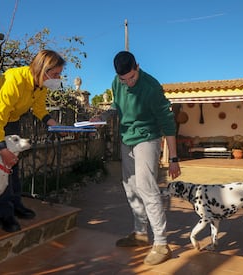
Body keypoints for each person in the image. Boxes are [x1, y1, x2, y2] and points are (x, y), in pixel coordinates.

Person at [93, 51, 181, 265]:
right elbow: (116, 107)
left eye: (132, 77)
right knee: (130, 186)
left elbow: (168, 123)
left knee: (146, 186)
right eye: (124, 79)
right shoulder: (117, 82)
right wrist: (101, 116)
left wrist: (174, 158)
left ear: (137, 67)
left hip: (147, 138)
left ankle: (161, 244)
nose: (128, 83)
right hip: (127, 139)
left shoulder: (151, 87)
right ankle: (140, 233)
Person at [0, 49, 65, 233]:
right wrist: (0, 147)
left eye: (59, 74)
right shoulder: (14, 80)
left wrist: (54, 124)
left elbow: (39, 108)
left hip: (12, 119)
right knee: (0, 169)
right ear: (43, 69)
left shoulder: (40, 85)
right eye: (55, 74)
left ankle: (16, 203)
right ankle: (5, 215)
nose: (58, 78)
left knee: (14, 165)